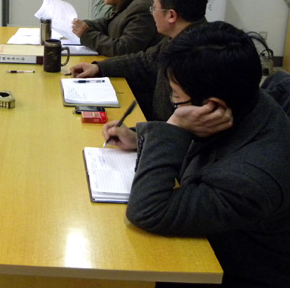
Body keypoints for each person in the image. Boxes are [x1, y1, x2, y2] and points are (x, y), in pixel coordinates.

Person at [105, 22, 290, 288]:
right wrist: (138, 139)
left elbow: (148, 211)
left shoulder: (250, 179)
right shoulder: (245, 98)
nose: (172, 102)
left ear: (211, 106)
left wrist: (174, 128)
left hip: (234, 269)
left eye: (176, 97)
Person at [70, 0, 208, 121]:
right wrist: (99, 67)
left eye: (154, 8)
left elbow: (180, 123)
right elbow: (145, 60)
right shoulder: (179, 37)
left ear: (171, 15)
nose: (152, 14)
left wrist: (138, 132)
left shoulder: (196, 55)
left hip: (163, 130)